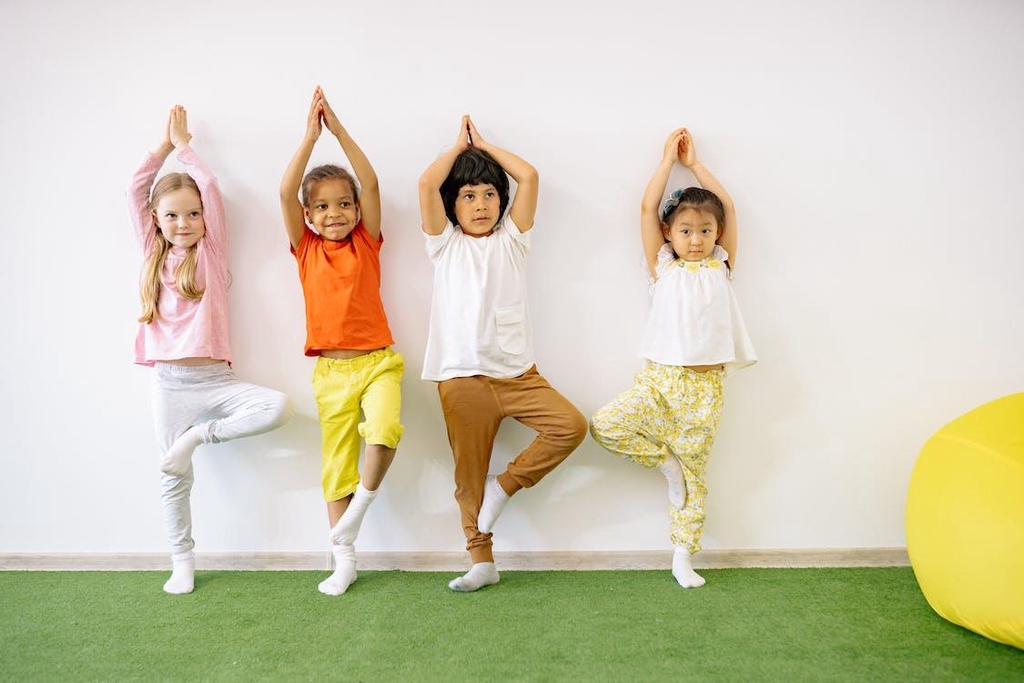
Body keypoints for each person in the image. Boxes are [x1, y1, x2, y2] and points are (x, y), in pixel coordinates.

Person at [419, 115, 587, 592]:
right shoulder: (443, 245)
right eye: (468, 195)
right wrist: (458, 148)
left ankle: (504, 487)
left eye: (490, 194)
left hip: (518, 375)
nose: (481, 204)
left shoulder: (513, 241)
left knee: (571, 425)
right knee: (467, 477)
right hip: (462, 379)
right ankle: (482, 561)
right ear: (453, 205)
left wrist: (486, 146)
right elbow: (426, 183)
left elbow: (529, 176)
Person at [129, 105, 291, 594]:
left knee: (278, 407)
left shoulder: (212, 251)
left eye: (193, 214)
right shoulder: (152, 253)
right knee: (172, 478)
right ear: (156, 220)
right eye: (173, 215)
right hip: (171, 384)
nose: (185, 222)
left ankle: (198, 438)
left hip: (217, 382)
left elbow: (212, 189)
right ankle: (182, 560)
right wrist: (161, 148)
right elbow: (136, 189)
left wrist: (185, 148)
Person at [590, 127, 756, 588]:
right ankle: (667, 466)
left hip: (705, 390)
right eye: (686, 230)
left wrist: (698, 165)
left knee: (697, 477)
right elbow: (646, 209)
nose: (697, 239)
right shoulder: (663, 268)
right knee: (606, 425)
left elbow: (732, 208)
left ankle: (683, 555)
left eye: (706, 230)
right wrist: (668, 160)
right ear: (670, 233)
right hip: (661, 382)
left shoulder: (722, 265)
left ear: (717, 233)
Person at [280, 87, 404, 596]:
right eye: (324, 207)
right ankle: (344, 557)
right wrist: (310, 137)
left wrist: (339, 131)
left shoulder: (366, 242)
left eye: (344, 204)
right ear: (309, 216)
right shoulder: (305, 249)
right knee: (335, 466)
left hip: (377, 363)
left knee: (385, 427)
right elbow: (286, 194)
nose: (336, 213)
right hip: (329, 373)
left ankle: (362, 507)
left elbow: (371, 181)